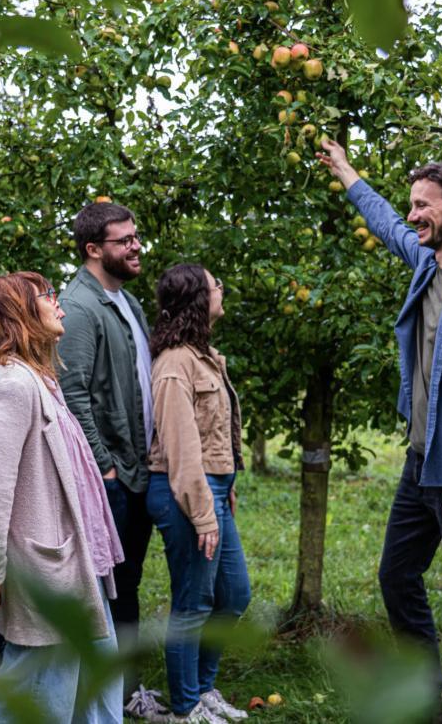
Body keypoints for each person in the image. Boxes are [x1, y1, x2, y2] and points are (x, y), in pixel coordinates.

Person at [317, 140, 442, 723]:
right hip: (419, 463)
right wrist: (347, 173)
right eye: (412, 205)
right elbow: (385, 224)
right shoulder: (428, 264)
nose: (413, 216)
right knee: (397, 575)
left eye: (423, 206)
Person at [0, 272, 125, 723]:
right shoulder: (13, 384)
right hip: (44, 567)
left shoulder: (38, 379)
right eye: (47, 296)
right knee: (39, 692)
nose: (59, 302)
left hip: (74, 563)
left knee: (94, 683)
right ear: (18, 313)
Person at [57, 202, 166, 718]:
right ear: (93, 250)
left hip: (137, 470)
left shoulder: (125, 301)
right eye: (124, 240)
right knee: (111, 591)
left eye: (135, 235)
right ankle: (110, 700)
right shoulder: (79, 308)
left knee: (128, 587)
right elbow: (71, 390)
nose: (136, 245)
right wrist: (103, 466)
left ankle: (124, 696)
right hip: (115, 476)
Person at [146, 264, 251, 724]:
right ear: (197, 299)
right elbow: (181, 447)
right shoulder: (175, 364)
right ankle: (185, 708)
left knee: (234, 596)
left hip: (212, 487)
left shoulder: (204, 354)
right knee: (193, 605)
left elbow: (215, 437)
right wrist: (202, 512)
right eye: (216, 285)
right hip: (185, 491)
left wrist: (226, 482)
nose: (222, 289)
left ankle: (204, 690)